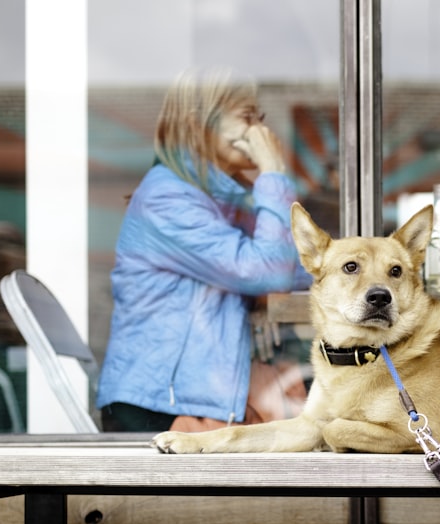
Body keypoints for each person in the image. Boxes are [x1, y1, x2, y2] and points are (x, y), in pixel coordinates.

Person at [96, 68, 311, 432]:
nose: (260, 132)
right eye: (246, 118)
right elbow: (268, 272)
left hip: (197, 399)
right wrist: (273, 173)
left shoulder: (223, 198)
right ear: (200, 124)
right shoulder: (168, 198)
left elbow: (294, 269)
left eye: (260, 119)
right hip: (159, 408)